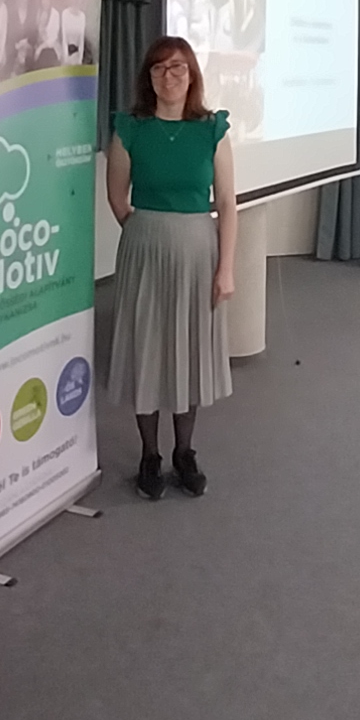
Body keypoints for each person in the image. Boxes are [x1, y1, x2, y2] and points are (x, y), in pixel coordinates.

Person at [106, 36, 237, 500]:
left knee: (188, 350)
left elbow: (227, 203)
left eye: (178, 67)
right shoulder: (129, 128)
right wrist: (149, 232)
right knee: (147, 348)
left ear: (192, 74)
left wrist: (226, 268)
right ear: (148, 77)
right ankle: (150, 455)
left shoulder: (212, 129)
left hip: (199, 252)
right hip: (144, 248)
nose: (169, 76)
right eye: (159, 68)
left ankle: (184, 452)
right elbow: (117, 197)